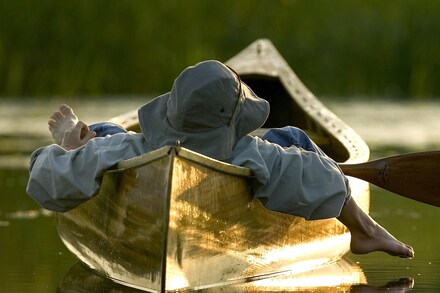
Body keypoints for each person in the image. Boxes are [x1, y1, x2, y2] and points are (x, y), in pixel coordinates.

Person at [27, 61, 413, 259]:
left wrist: (63, 155)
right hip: (222, 152)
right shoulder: (250, 152)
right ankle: (82, 142)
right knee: (294, 139)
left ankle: (80, 140)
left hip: (129, 147)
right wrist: (365, 227)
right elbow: (317, 175)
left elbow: (42, 174)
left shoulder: (130, 149)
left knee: (112, 136)